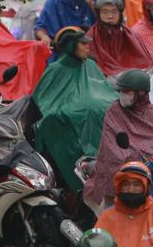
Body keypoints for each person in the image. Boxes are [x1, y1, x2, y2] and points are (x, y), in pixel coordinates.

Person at [32, 27, 121, 193]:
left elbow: (104, 91)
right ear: (70, 45)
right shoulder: (55, 70)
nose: (88, 47)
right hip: (66, 126)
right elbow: (43, 105)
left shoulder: (91, 66)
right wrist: (71, 111)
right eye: (83, 44)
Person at [87, 69, 153, 206]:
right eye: (122, 92)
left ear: (142, 93)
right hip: (123, 172)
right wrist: (133, 156)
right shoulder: (114, 112)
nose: (123, 96)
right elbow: (111, 147)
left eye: (128, 92)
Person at [89, 0, 153, 75]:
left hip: (130, 76)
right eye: (105, 12)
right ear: (98, 14)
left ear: (120, 14)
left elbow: (145, 59)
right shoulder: (91, 36)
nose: (110, 16)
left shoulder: (128, 33)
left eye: (114, 12)